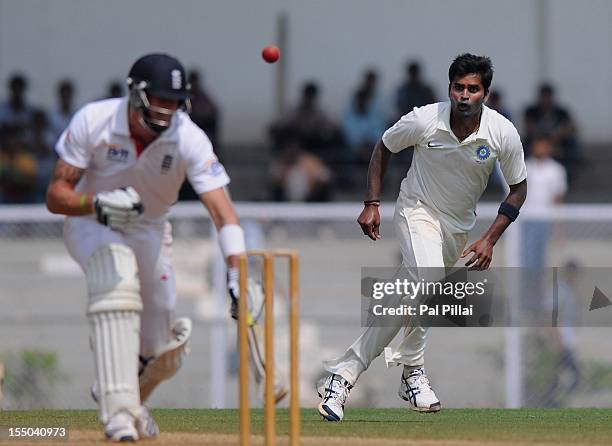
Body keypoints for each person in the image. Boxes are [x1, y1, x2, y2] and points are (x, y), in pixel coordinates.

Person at [46, 53, 256, 441]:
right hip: (92, 221)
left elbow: (224, 214)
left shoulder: (188, 137)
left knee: (162, 349)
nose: (166, 110)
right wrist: (96, 204)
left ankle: (123, 394)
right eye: (158, 99)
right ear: (135, 94)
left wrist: (237, 272)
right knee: (117, 271)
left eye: (173, 101)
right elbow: (56, 195)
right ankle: (120, 415)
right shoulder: (95, 120)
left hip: (150, 229)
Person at [317, 54, 528, 421]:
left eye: (473, 89)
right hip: (417, 209)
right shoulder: (424, 119)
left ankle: (343, 375)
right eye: (458, 87)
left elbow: (518, 189)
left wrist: (491, 238)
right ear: (450, 88)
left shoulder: (502, 132)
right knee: (427, 282)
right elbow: (383, 147)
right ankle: (412, 370)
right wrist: (371, 202)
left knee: (411, 296)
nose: (464, 95)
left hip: (458, 226)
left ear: (486, 93)